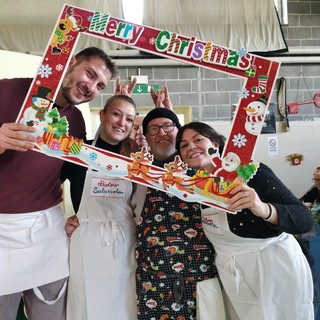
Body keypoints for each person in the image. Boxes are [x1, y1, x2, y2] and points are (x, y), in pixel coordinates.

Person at [0, 47, 117, 320]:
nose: (91, 87)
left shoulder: (75, 120)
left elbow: (72, 173)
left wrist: (83, 215)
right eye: (89, 74)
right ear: (71, 63)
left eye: (100, 85)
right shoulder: (7, 91)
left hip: (46, 231)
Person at [175, 121, 315, 320]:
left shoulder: (250, 172)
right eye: (184, 145)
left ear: (215, 142)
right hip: (234, 280)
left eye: (198, 139)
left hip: (274, 273)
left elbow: (304, 220)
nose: (191, 147)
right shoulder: (193, 187)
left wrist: (263, 208)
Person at [131, 101, 223, 319]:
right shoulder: (137, 174)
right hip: (153, 282)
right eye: (154, 128)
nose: (161, 133)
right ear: (146, 137)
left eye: (168, 126)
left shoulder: (201, 169)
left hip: (201, 277)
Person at [63, 94, 138, 320]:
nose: (121, 123)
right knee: (87, 301)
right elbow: (47, 188)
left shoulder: (135, 159)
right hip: (86, 241)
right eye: (116, 114)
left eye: (129, 119)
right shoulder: (79, 152)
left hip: (125, 241)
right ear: (102, 115)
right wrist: (61, 220)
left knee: (124, 303)